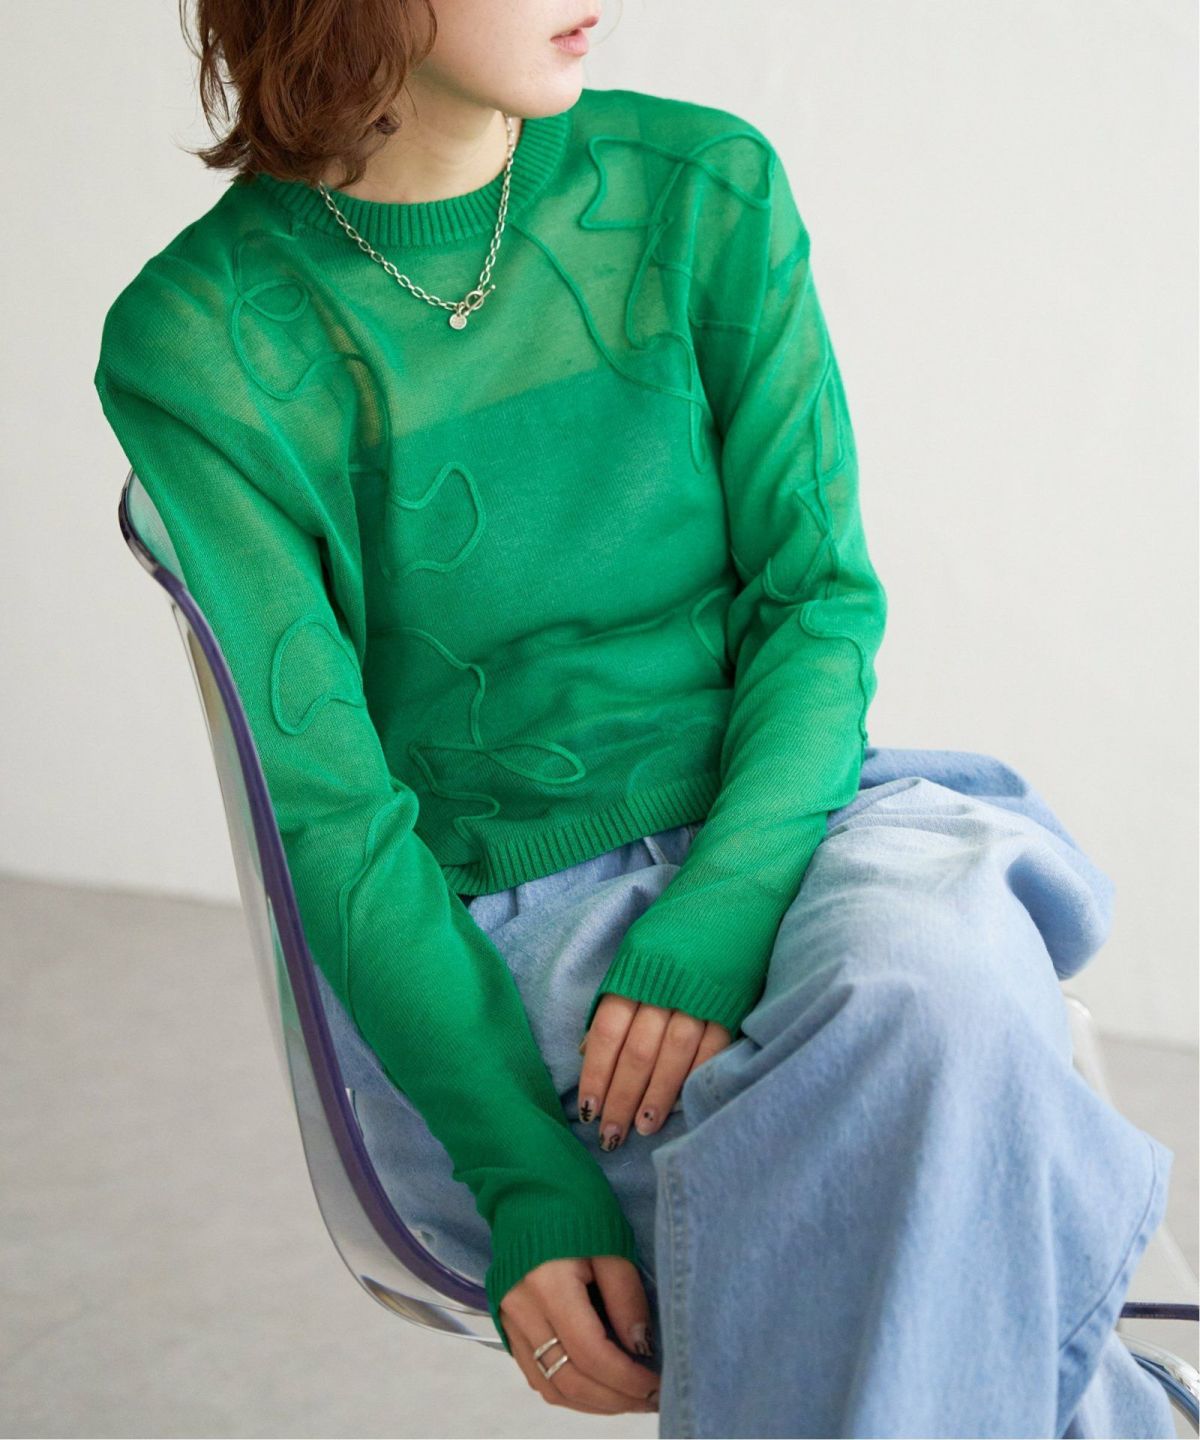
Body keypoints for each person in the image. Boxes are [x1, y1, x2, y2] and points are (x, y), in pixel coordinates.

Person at [92, 2, 1178, 1434]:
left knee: (933, 997)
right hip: (517, 930)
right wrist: (524, 1177)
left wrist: (721, 913)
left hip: (805, 822)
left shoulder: (703, 187)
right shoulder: (201, 338)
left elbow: (816, 602)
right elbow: (331, 815)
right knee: (926, 1115)